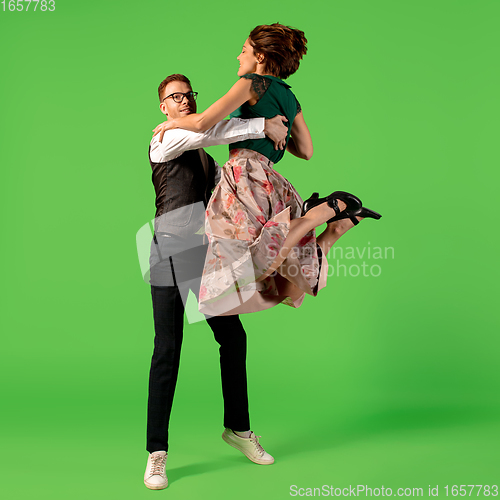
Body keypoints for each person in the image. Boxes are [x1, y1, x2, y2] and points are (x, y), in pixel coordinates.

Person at [153, 24, 381, 316]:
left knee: (232, 284)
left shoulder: (252, 83)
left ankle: (319, 213)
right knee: (287, 286)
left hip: (245, 176)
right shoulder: (290, 97)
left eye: (244, 51)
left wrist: (173, 122)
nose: (239, 57)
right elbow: (306, 151)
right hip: (272, 179)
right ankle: (335, 227)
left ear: (259, 56)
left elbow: (202, 123)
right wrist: (271, 131)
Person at [144, 73, 290, 490]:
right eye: (176, 97)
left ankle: (238, 430)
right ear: (163, 106)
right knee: (168, 348)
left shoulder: (203, 152)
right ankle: (157, 454)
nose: (185, 101)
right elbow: (212, 129)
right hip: (168, 249)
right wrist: (263, 125)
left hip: (201, 254)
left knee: (233, 336)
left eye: (190, 95)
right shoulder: (163, 139)